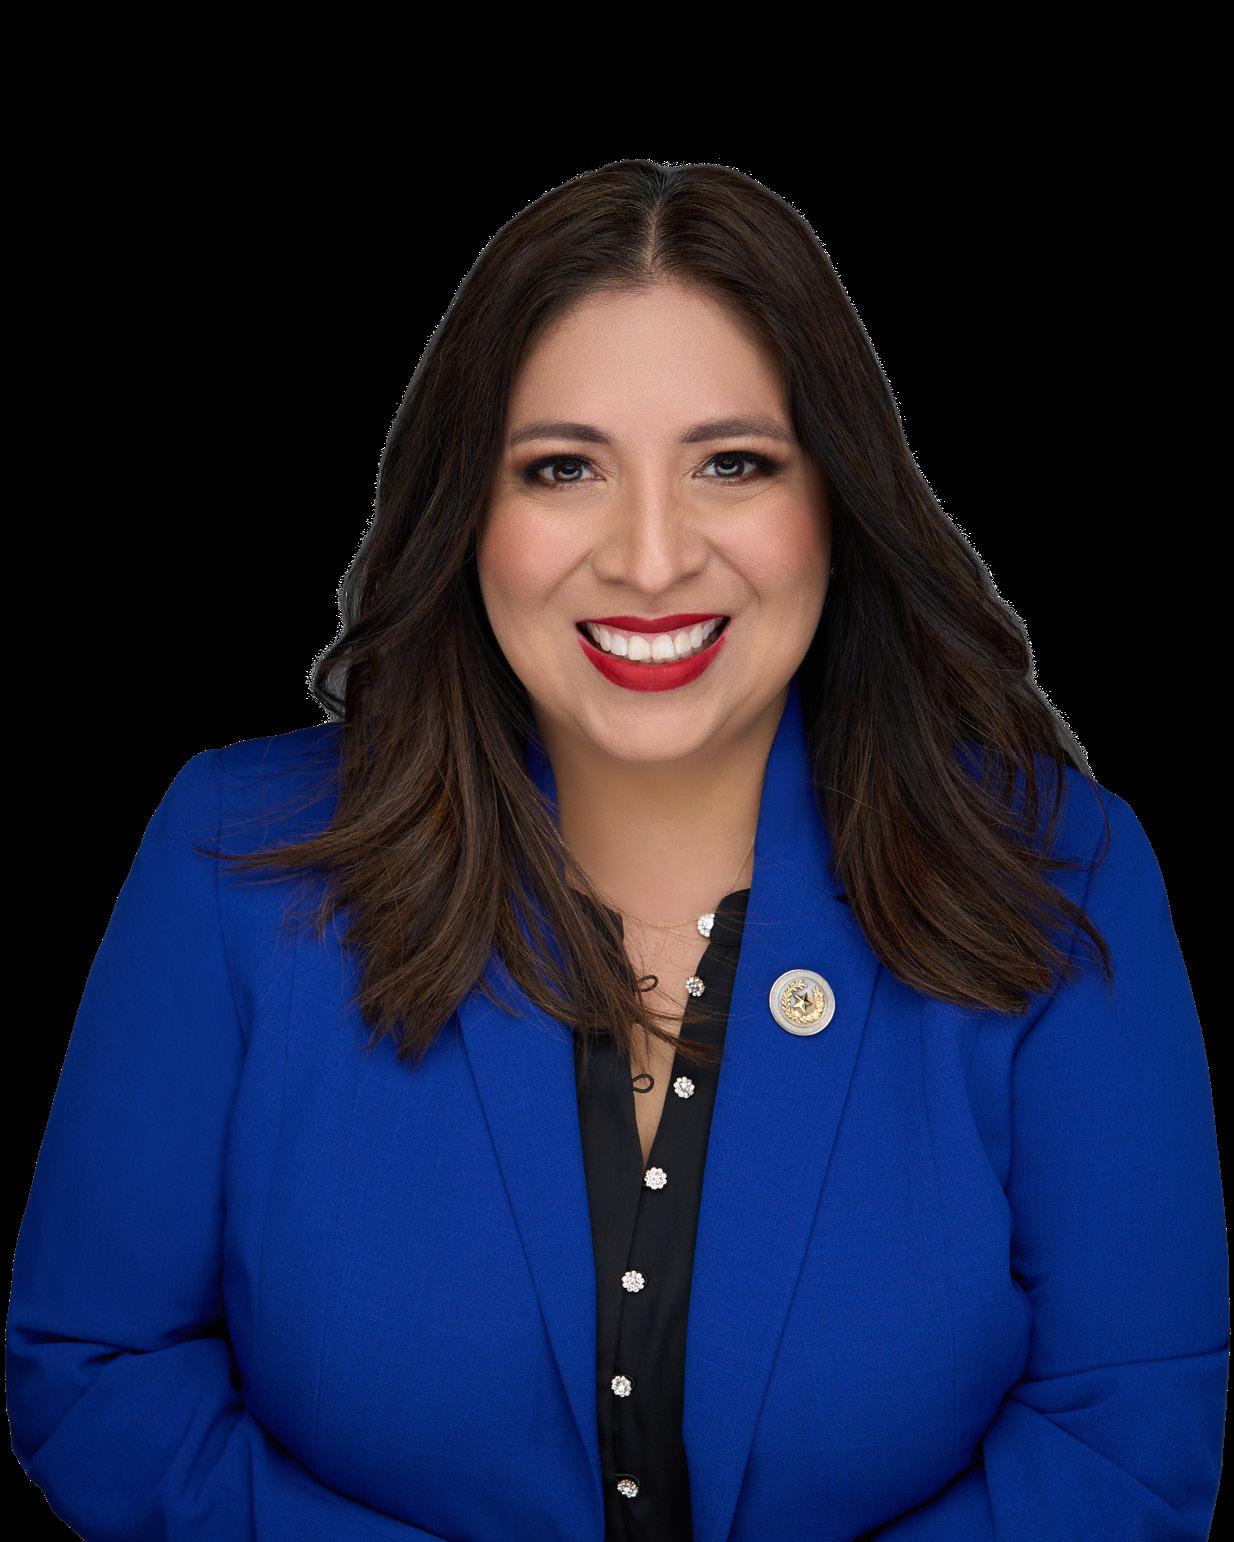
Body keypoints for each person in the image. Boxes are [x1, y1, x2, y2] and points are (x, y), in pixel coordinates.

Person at [8, 160, 1226, 1540]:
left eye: (732, 463)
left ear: (836, 497)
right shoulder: (232, 859)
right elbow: (102, 1378)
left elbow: (1122, 1448)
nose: (650, 560)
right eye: (564, 468)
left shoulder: (1058, 870)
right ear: (467, 508)